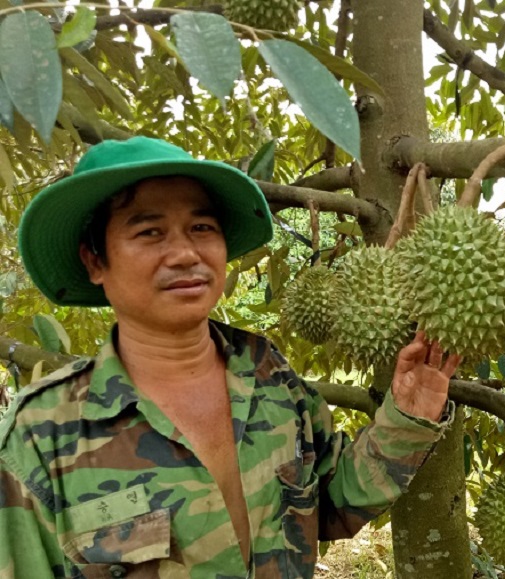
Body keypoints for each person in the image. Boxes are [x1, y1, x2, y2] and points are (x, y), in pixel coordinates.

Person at [0, 137, 460, 579]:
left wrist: (408, 417)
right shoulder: (41, 435)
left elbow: (333, 500)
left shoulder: (268, 375)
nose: (184, 253)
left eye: (202, 228)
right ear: (94, 261)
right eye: (149, 231)